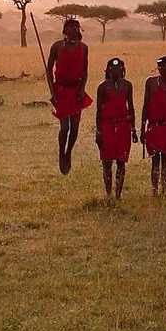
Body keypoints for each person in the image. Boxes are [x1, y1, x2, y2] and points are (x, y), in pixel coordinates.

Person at [45, 18, 94, 175]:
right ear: (65, 30)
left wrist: (82, 90)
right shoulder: (57, 47)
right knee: (64, 127)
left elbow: (85, 71)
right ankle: (61, 153)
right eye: (70, 27)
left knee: (75, 128)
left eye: (76, 28)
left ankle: (68, 152)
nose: (73, 30)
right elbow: (48, 70)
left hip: (76, 91)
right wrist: (52, 92)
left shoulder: (84, 48)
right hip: (61, 91)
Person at [93, 57, 136, 203]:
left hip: (123, 126)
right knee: (106, 161)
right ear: (108, 70)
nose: (116, 71)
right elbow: (98, 111)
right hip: (107, 126)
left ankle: (118, 194)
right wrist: (98, 132)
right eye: (113, 68)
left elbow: (131, 107)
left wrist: (133, 129)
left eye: (119, 68)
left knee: (121, 161)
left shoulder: (128, 86)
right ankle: (108, 193)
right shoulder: (103, 87)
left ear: (122, 70)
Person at [139, 56, 166, 197]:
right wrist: (142, 127)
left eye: (163, 66)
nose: (161, 68)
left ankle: (164, 189)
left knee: (165, 159)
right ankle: (154, 190)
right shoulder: (150, 82)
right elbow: (145, 105)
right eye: (159, 66)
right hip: (153, 126)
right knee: (155, 160)